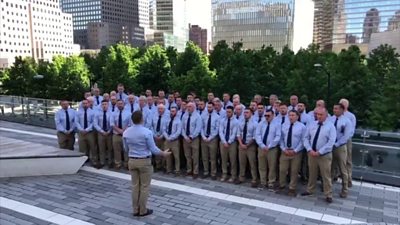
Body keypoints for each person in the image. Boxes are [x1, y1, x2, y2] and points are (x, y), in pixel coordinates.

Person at [123, 111, 171, 217]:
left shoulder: (126, 132)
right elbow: (153, 149)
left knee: (135, 186)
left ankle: (135, 209)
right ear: (141, 119)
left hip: (132, 160)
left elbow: (125, 148)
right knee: (144, 187)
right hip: (144, 161)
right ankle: (143, 210)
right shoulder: (147, 132)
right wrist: (163, 153)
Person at [302, 107, 336, 203]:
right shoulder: (312, 124)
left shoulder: (330, 126)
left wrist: (320, 152)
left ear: (326, 115)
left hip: (324, 155)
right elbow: (306, 138)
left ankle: (328, 194)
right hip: (312, 153)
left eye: (321, 115)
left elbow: (331, 142)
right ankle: (310, 190)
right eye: (318, 114)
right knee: (312, 173)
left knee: (326, 175)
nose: (319, 116)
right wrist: (309, 149)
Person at [278, 110, 306, 196]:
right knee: (282, 169)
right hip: (285, 151)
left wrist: (295, 150)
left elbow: (303, 140)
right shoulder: (284, 125)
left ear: (297, 117)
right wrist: (283, 149)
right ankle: (281, 185)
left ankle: (292, 188)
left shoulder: (302, 127)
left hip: (296, 152)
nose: (291, 117)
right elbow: (281, 139)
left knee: (294, 171)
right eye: (289, 115)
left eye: (293, 115)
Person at [329, 103, 352, 198]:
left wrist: (337, 144)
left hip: (340, 147)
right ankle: (328, 188)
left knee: (343, 169)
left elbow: (346, 136)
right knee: (330, 168)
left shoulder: (346, 121)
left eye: (337, 109)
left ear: (342, 110)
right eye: (334, 109)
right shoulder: (330, 119)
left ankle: (345, 189)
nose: (335, 110)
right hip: (330, 146)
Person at [256, 109, 281, 190]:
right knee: (262, 166)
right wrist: (262, 145)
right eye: (265, 115)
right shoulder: (261, 123)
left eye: (268, 115)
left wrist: (269, 146)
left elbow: (278, 137)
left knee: (272, 166)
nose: (266, 117)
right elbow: (258, 135)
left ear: (273, 115)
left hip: (272, 149)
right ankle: (263, 182)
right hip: (262, 148)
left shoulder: (277, 124)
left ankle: (271, 182)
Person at [237, 108, 258, 187]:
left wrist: (247, 145)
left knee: (252, 163)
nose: (245, 114)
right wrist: (241, 144)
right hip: (241, 145)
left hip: (250, 146)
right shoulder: (240, 122)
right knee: (241, 162)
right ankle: (241, 177)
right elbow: (238, 134)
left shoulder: (254, 123)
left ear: (251, 114)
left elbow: (254, 136)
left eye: (247, 112)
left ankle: (254, 179)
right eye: (244, 112)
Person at [181, 102, 203, 179]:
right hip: (185, 138)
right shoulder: (185, 115)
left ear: (194, 107)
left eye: (190, 106)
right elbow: (182, 127)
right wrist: (185, 136)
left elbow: (198, 128)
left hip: (194, 139)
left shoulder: (198, 116)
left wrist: (191, 137)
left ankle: (195, 171)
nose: (188, 108)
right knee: (187, 156)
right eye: (187, 106)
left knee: (195, 156)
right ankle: (189, 170)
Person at [219, 106, 239, 183]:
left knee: (232, 160)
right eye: (227, 112)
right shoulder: (222, 120)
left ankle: (233, 175)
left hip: (232, 143)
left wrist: (229, 142)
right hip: (223, 142)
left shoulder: (236, 122)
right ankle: (224, 174)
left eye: (229, 112)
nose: (228, 113)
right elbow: (221, 131)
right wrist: (224, 142)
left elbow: (234, 133)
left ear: (233, 112)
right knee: (223, 159)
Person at [339, 98, 356, 188]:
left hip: (347, 140)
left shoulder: (351, 116)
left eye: (343, 104)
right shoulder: (336, 115)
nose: (341, 105)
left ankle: (348, 179)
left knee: (348, 160)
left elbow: (351, 131)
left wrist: (344, 139)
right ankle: (335, 176)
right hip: (337, 141)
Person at [75, 99, 98, 167]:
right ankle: (82, 161)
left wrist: (87, 130)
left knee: (92, 147)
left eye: (86, 103)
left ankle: (94, 160)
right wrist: (81, 129)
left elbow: (93, 122)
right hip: (81, 132)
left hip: (90, 132)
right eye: (83, 103)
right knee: (82, 147)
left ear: (89, 104)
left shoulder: (92, 112)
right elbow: (77, 122)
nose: (85, 105)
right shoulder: (78, 112)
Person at [200, 101, 220, 180]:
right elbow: (201, 127)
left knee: (213, 157)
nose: (209, 108)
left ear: (214, 107)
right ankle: (206, 171)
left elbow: (216, 129)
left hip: (213, 139)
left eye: (210, 107)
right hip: (204, 138)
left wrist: (210, 137)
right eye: (208, 107)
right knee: (204, 156)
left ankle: (213, 173)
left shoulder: (217, 117)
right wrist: (203, 136)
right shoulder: (203, 115)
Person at [111, 99, 131, 170]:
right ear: (116, 105)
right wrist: (119, 130)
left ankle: (126, 164)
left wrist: (123, 131)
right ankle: (118, 163)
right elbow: (112, 124)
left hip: (126, 134)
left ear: (124, 104)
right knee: (116, 150)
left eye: (121, 103)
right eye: (118, 104)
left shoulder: (128, 113)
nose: (120, 105)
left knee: (126, 150)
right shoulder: (113, 113)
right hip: (116, 134)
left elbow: (129, 124)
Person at [94, 100, 113, 168]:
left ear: (108, 105)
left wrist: (109, 131)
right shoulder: (97, 113)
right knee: (101, 148)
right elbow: (95, 124)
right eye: (103, 104)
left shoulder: (111, 113)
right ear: (101, 105)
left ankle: (110, 162)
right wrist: (101, 131)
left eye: (106, 104)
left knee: (110, 148)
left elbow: (112, 123)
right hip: (101, 133)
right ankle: (102, 162)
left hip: (109, 133)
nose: (104, 105)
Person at [163, 106, 182, 175]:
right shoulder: (167, 119)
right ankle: (169, 169)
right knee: (168, 156)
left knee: (176, 156)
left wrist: (171, 137)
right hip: (167, 140)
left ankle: (177, 170)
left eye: (173, 111)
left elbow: (178, 132)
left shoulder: (178, 120)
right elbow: (164, 129)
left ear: (176, 112)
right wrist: (167, 137)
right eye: (171, 111)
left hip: (174, 141)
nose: (172, 112)